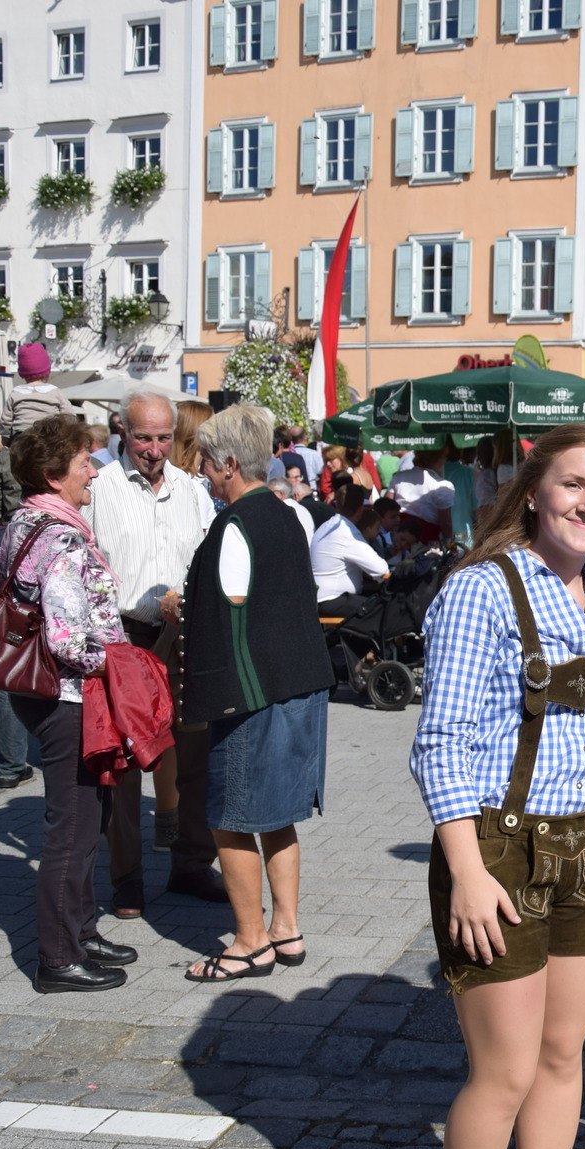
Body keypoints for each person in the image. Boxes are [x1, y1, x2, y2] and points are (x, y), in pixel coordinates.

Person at [411, 425, 585, 1149]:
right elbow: (441, 741)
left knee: (559, 1054)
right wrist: (466, 869)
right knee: (503, 1069)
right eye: (574, 485)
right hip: (499, 852)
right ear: (535, 490)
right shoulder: (481, 588)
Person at [0, 417, 137, 992]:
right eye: (85, 462)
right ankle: (58, 958)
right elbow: (68, 641)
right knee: (74, 830)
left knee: (89, 820)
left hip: (40, 692)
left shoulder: (25, 521)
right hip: (66, 696)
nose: (95, 471)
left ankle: (82, 931)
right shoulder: (60, 536)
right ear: (53, 474)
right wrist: (121, 666)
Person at [180, 406, 333, 981]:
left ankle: (249, 942)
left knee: (231, 817)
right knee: (279, 815)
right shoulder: (287, 512)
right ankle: (286, 929)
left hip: (253, 692)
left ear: (228, 464)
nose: (200, 470)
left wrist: (184, 607)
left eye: (204, 461)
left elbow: (232, 609)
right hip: (300, 679)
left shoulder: (235, 524)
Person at [82, 390, 224, 920]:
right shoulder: (100, 488)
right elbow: (85, 567)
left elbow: (206, 558)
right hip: (125, 638)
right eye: (144, 437)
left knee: (195, 757)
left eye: (164, 437)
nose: (155, 449)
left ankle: (192, 864)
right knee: (124, 766)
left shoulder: (191, 489)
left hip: (184, 637)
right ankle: (127, 880)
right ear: (123, 431)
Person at [311, 482, 391, 617]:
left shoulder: (327, 526)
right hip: (331, 599)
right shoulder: (347, 533)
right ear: (360, 509)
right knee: (385, 609)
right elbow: (381, 570)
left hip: (320, 597)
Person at [0, 345, 75, 438]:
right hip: (49, 436)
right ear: (47, 372)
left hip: (22, 436)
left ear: (22, 373)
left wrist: (5, 439)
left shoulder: (15, 393)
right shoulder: (55, 392)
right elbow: (70, 417)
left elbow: (6, 421)